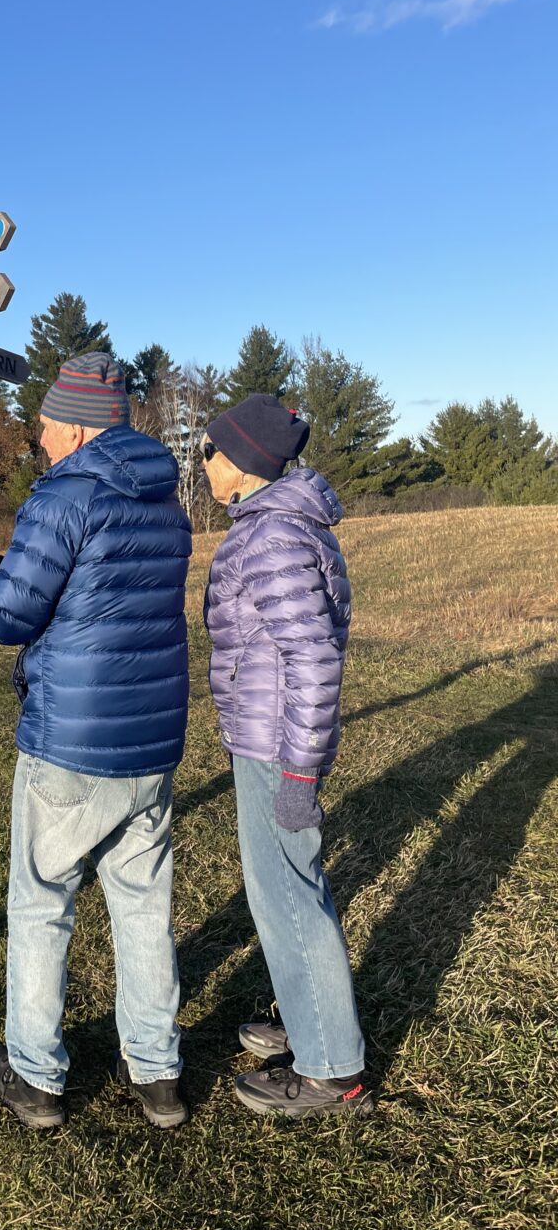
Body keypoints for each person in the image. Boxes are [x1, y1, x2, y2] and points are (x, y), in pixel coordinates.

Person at [0, 352, 192, 1130]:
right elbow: (93, 592)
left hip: (71, 744)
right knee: (144, 911)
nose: (40, 436)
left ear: (79, 424)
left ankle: (35, 1076)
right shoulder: (164, 495)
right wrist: (3, 563)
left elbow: (8, 618)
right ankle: (157, 1074)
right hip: (151, 740)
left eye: (48, 423)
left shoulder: (66, 493)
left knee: (42, 904)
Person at [200, 393, 373, 1117]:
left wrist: (299, 773)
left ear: (239, 463)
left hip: (278, 745)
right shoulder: (283, 525)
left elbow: (312, 656)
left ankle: (332, 1070)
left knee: (288, 896)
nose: (202, 460)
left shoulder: (270, 537)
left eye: (207, 449)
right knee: (288, 889)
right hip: (271, 736)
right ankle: (309, 1024)